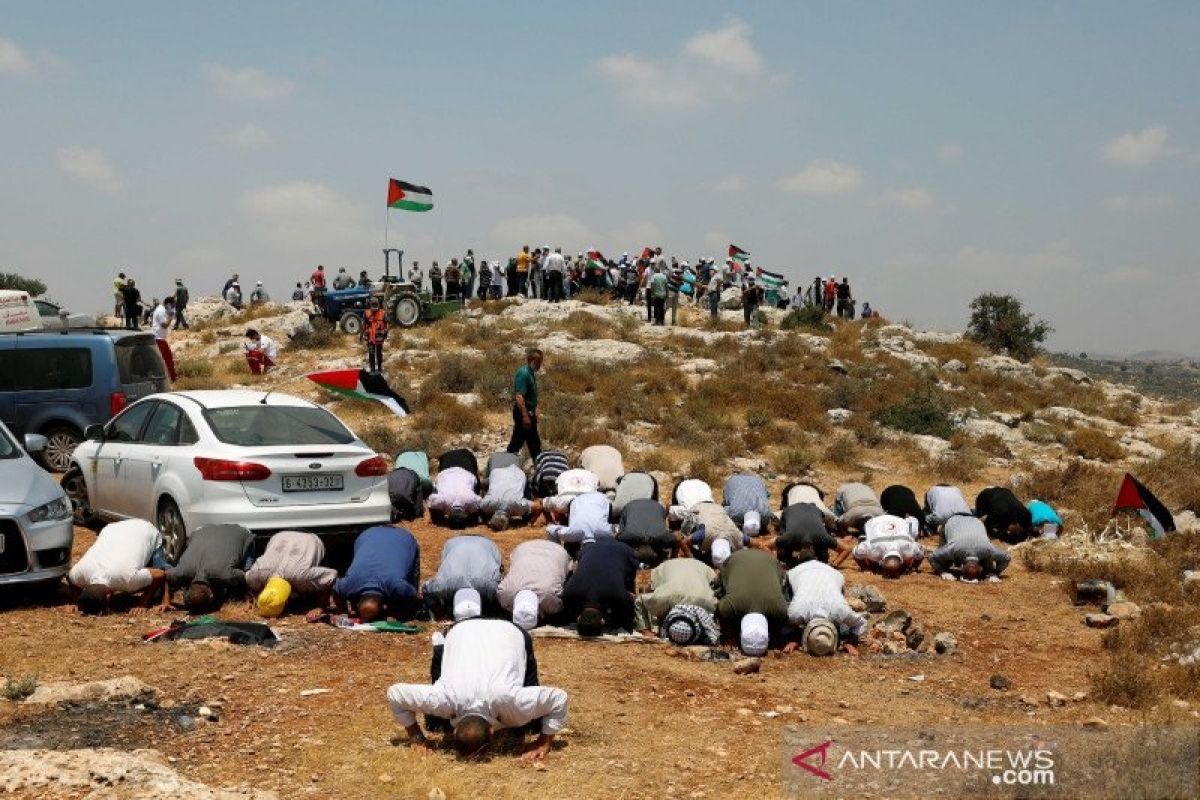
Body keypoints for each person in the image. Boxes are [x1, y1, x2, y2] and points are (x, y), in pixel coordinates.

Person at [386, 617, 568, 760]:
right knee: (437, 722)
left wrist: (544, 742)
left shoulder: (512, 701)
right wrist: (416, 737)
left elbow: (559, 698)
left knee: (530, 725)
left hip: (506, 630)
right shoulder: (442, 699)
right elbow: (395, 694)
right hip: (465, 629)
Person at [67, 519, 171, 615]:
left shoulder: (128, 579)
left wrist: (143, 603)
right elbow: (70, 577)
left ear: (108, 597)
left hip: (144, 529)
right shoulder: (79, 574)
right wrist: (80, 602)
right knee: (140, 581)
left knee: (160, 590)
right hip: (112, 529)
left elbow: (161, 574)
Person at [783, 558, 866, 656]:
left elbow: (861, 623)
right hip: (798, 571)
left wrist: (850, 643)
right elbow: (860, 623)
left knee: (844, 628)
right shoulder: (797, 612)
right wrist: (851, 642)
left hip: (833, 573)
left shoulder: (840, 610)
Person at [166, 523, 256, 614]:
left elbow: (246, 577)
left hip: (242, 532)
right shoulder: (180, 572)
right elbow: (166, 576)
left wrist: (247, 599)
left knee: (248, 571)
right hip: (201, 530)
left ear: (212, 595)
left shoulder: (225, 575)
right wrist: (166, 602)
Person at [334, 526, 421, 620]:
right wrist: (343, 612)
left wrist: (397, 612)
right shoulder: (348, 585)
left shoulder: (397, 585)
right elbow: (335, 589)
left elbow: (414, 595)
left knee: (408, 599)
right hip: (367, 535)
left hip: (403, 538)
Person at [714, 548, 789, 652]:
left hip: (741, 559)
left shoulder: (780, 609)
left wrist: (729, 636)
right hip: (738, 560)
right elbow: (720, 608)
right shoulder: (729, 607)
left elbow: (719, 608)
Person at [245, 530, 338, 614]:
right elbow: (249, 582)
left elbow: (332, 575)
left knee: (311, 596)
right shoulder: (256, 575)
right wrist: (251, 599)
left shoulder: (302, 578)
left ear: (287, 601)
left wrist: (320, 607)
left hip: (309, 539)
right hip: (280, 536)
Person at [561, 538, 639, 634]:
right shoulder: (569, 593)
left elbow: (629, 601)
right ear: (578, 617)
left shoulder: (617, 593)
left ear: (603, 620)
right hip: (590, 549)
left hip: (625, 552)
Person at [421, 535, 503, 618]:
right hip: (485, 543)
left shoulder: (490, 588)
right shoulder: (443, 586)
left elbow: (426, 589)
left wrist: (439, 612)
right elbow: (426, 589)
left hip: (465, 543)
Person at [498, 540, 571, 630]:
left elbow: (559, 608)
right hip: (524, 549)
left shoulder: (550, 599)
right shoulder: (505, 594)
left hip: (556, 552)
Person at [633, 557, 718, 634]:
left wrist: (646, 628)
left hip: (670, 597)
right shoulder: (705, 566)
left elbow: (653, 587)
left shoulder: (662, 566)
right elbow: (715, 584)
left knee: (641, 600)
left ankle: (646, 632)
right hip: (704, 600)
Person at [929, 514, 1010, 582]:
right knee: (945, 563)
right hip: (953, 521)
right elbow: (933, 556)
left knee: (988, 565)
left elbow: (1006, 558)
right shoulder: (954, 549)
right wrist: (942, 572)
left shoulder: (987, 549)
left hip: (976, 521)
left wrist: (994, 573)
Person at [774, 501, 850, 568]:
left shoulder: (823, 538)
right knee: (783, 554)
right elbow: (846, 549)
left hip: (813, 510)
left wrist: (834, 565)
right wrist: (778, 564)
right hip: (789, 511)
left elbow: (847, 549)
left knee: (823, 558)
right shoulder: (790, 537)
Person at [852, 514, 925, 578]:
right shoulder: (874, 550)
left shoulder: (908, 548)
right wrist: (865, 569)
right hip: (875, 522)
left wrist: (913, 569)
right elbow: (855, 552)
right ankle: (865, 538)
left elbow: (921, 553)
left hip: (898, 521)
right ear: (881, 562)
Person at [615, 498, 677, 565]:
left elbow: (677, 540)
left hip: (654, 506)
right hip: (634, 505)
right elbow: (618, 536)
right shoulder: (628, 536)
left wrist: (673, 559)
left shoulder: (663, 536)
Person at [679, 500, 744, 563]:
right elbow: (684, 542)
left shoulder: (737, 535)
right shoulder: (705, 534)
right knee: (686, 532)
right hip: (700, 507)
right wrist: (692, 559)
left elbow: (753, 542)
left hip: (717, 508)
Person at [506, 349, 542, 460]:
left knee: (519, 441)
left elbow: (530, 394)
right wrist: (525, 416)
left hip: (529, 412)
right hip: (523, 413)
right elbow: (519, 396)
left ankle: (506, 461)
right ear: (531, 360)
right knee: (533, 444)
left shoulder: (531, 373)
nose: (540, 364)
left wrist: (535, 408)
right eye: (538, 361)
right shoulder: (524, 373)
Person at [481, 463, 537, 531]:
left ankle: (526, 520)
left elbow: (536, 506)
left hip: (516, 474)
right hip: (497, 473)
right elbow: (536, 506)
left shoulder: (518, 505)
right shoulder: (487, 504)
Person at [546, 491, 613, 546]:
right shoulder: (573, 533)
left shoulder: (605, 532)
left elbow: (619, 531)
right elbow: (550, 529)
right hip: (585, 499)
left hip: (594, 498)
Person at [723, 473, 773, 537]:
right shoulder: (736, 513)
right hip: (734, 481)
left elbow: (767, 495)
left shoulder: (766, 515)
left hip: (753, 480)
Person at [151, 296, 177, 381]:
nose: (173, 307)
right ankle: (160, 381)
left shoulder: (162, 308)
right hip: (158, 339)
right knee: (160, 362)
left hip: (161, 339)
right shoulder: (161, 311)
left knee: (169, 359)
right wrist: (170, 316)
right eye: (172, 306)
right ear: (169, 305)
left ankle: (173, 378)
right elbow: (164, 325)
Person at [363, 297, 388, 373]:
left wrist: (385, 333)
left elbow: (387, 324)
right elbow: (364, 325)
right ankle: (372, 368)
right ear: (370, 305)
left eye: (375, 305)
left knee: (379, 353)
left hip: (379, 336)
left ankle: (380, 368)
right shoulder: (366, 313)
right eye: (373, 306)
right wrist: (365, 333)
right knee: (371, 353)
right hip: (370, 337)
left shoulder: (383, 313)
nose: (374, 308)